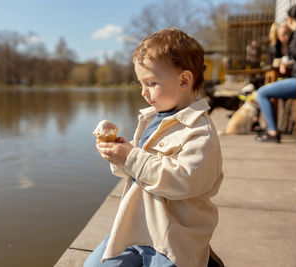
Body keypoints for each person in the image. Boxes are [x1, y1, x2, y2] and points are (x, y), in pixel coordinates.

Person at [85, 28, 224, 267]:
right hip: (137, 226)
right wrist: (120, 157)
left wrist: (131, 157)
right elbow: (139, 171)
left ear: (184, 80)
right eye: (141, 83)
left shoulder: (200, 132)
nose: (143, 92)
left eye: (151, 83)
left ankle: (204, 260)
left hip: (172, 237)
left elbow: (184, 180)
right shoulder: (152, 118)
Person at [256, 4, 296, 143]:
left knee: (262, 93)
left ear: (289, 19)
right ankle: (275, 129)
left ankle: (272, 131)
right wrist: (291, 62)